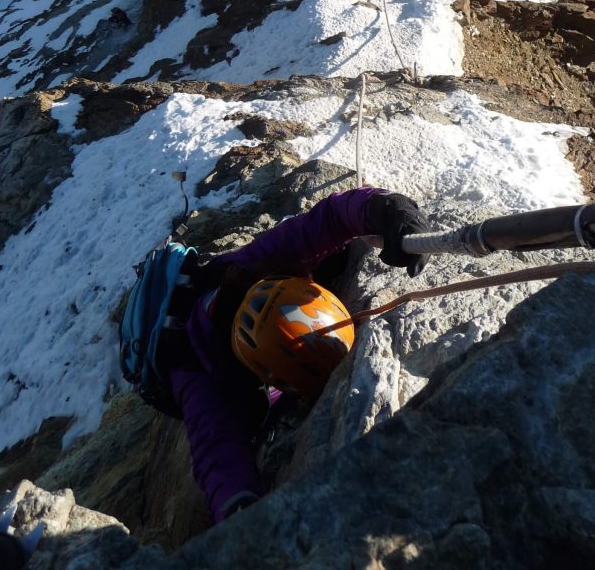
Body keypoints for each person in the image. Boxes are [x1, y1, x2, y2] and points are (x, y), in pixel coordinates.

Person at [166, 186, 428, 522]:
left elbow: (330, 217)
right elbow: (215, 449)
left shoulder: (254, 264)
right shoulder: (197, 375)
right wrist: (238, 513)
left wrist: (389, 208)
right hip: (181, 348)